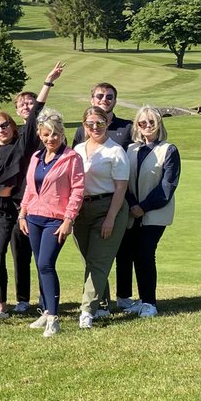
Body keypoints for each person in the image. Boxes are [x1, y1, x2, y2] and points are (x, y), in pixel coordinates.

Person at [0, 64, 64, 327]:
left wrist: (47, 82)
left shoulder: (21, 146)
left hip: (5, 208)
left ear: (13, 127)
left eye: (4, 126)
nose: (1, 130)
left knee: (0, 253)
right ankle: (0, 305)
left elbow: (35, 113)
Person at [18, 109, 84, 337]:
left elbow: (77, 191)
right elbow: (29, 188)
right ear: (39, 134)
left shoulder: (71, 157)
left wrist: (68, 220)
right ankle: (46, 311)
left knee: (46, 263)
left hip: (56, 219)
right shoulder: (36, 157)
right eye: (46, 134)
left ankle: (53, 318)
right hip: (34, 217)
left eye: (55, 134)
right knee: (40, 264)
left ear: (62, 133)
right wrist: (22, 214)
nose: (50, 139)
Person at [114, 106, 180, 318]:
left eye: (152, 122)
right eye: (143, 123)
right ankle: (139, 300)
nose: (148, 126)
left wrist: (143, 207)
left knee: (145, 253)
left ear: (159, 124)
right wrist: (133, 205)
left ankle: (149, 302)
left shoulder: (169, 150)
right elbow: (122, 181)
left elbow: (167, 186)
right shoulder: (130, 150)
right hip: (132, 212)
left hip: (155, 212)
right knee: (130, 254)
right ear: (137, 126)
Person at [73, 106, 130, 329]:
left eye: (99, 122)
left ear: (107, 123)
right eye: (90, 124)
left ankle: (87, 310)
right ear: (84, 125)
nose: (95, 127)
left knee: (98, 260)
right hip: (81, 210)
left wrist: (111, 218)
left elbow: (120, 189)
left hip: (108, 207)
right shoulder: (77, 149)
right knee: (90, 259)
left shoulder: (115, 151)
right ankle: (103, 304)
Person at [9, 90, 39, 314]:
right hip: (16, 202)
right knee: (20, 255)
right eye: (22, 104)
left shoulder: (48, 133)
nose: (27, 106)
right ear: (17, 111)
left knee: (42, 254)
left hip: (42, 202)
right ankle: (23, 299)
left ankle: (46, 297)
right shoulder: (13, 134)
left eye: (31, 103)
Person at [71, 82, 134, 148]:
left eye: (109, 97)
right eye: (100, 96)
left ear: (115, 102)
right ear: (92, 100)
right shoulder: (82, 129)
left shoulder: (128, 127)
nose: (104, 99)